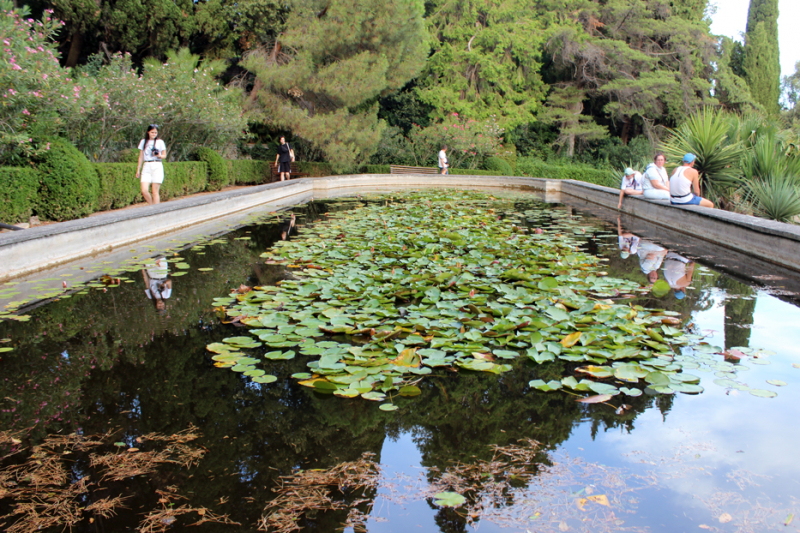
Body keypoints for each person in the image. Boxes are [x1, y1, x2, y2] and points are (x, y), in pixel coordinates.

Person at [136, 124, 167, 205]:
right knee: (144, 190)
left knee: (155, 191)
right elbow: (141, 156)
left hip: (157, 164)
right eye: (152, 132)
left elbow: (164, 155)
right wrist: (138, 169)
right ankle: (151, 205)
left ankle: (156, 210)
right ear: (148, 132)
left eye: (155, 132)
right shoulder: (143, 142)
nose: (154, 134)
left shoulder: (160, 142)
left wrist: (158, 155)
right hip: (147, 165)